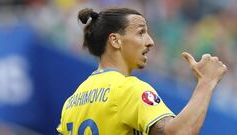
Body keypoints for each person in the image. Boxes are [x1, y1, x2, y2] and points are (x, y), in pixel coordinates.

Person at [57, 8, 227, 135]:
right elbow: (177, 133)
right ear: (115, 40)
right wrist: (207, 81)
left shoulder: (71, 103)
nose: (150, 41)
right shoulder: (128, 89)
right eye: (141, 32)